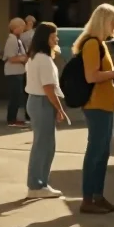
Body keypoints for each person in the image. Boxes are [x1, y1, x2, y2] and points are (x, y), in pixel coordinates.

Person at [76, 3, 114, 215]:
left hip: (104, 105)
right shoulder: (92, 44)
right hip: (96, 104)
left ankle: (97, 195)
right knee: (96, 152)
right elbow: (91, 76)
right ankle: (88, 198)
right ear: (105, 21)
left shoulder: (99, 44)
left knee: (103, 152)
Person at [23, 20, 68, 198]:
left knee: (45, 144)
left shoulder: (36, 57)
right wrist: (59, 109)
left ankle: (39, 183)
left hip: (36, 101)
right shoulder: (44, 59)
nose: (56, 39)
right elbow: (48, 87)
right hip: (42, 102)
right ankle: (36, 185)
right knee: (44, 145)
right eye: (53, 36)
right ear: (45, 38)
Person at [3, 17, 29, 127]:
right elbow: (11, 58)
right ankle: (11, 119)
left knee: (19, 96)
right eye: (21, 26)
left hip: (19, 71)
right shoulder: (12, 40)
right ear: (15, 28)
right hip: (13, 72)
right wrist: (23, 59)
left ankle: (15, 118)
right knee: (15, 96)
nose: (23, 29)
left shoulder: (17, 39)